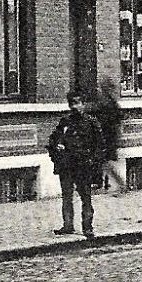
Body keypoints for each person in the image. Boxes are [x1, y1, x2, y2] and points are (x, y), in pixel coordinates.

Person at [48, 90, 104, 237]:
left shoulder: (91, 123)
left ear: (84, 104)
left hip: (83, 166)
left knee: (86, 197)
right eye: (72, 103)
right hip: (67, 166)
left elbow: (99, 146)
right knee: (66, 196)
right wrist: (57, 147)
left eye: (78, 103)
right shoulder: (65, 122)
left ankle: (87, 227)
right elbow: (53, 140)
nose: (75, 106)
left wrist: (94, 165)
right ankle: (68, 225)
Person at [92, 81, 128, 197]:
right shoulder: (111, 102)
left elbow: (104, 119)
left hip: (107, 138)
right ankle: (103, 185)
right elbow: (120, 117)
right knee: (103, 162)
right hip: (109, 137)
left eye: (101, 88)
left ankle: (121, 185)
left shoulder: (106, 103)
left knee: (105, 163)